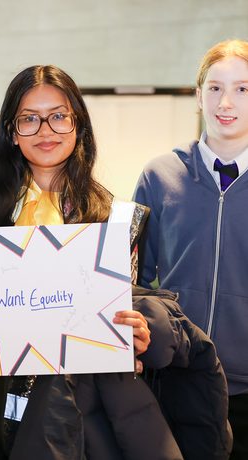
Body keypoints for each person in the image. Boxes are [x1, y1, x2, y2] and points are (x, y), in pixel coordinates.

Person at [0, 65, 195, 459]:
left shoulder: (115, 220)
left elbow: (118, 321)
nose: (45, 130)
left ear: (79, 124)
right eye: (29, 119)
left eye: (59, 116)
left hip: (74, 420)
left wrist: (135, 334)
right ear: (11, 131)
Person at [133, 39, 248, 459]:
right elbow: (132, 279)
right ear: (198, 96)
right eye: (215, 88)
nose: (227, 102)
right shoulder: (160, 175)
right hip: (175, 377)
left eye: (242, 88)